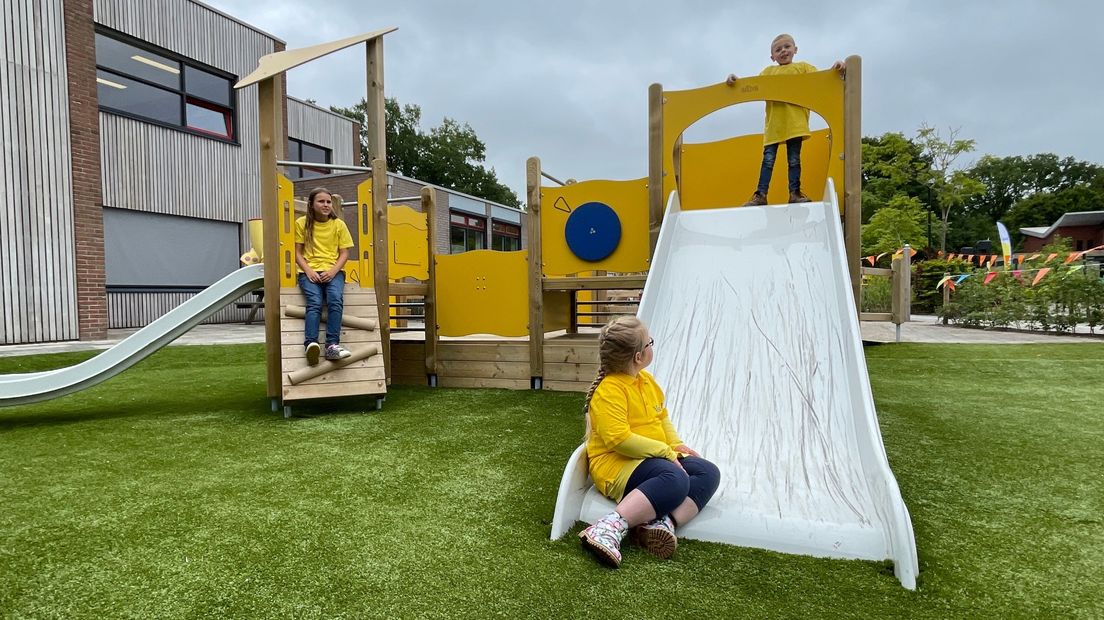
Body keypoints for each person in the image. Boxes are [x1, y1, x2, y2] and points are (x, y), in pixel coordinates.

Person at [578, 316, 721, 567]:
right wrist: (665, 452)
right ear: (638, 356)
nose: (651, 347)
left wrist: (675, 446)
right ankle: (608, 526)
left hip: (649, 459)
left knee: (708, 472)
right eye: (649, 343)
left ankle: (662, 523)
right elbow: (619, 440)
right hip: (616, 463)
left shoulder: (647, 382)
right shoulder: (610, 390)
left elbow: (661, 417)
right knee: (675, 478)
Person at [726, 33, 844, 206]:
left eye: (787, 47)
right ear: (772, 57)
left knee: (794, 159)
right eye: (778, 49)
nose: (783, 51)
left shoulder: (803, 68)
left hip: (795, 124)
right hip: (774, 125)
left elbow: (822, 79)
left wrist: (837, 68)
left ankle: (794, 193)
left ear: (795, 50)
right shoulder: (769, 72)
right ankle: (760, 195)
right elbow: (752, 86)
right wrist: (735, 80)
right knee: (767, 161)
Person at [295, 188, 354, 365]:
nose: (326, 205)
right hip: (309, 272)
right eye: (321, 201)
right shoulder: (302, 223)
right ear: (312, 205)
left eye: (328, 202)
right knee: (314, 302)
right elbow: (297, 253)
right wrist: (308, 271)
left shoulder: (338, 225)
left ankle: (332, 346)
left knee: (335, 299)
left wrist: (333, 271)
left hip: (333, 272)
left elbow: (344, 253)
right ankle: (311, 343)